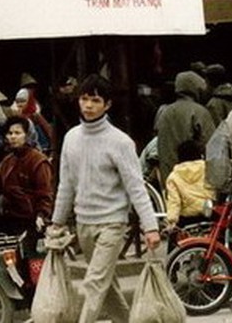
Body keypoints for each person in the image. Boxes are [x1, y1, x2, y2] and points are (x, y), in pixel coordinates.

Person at [51, 74, 159, 323]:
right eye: (84, 99)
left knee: (94, 282)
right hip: (84, 224)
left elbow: (136, 188)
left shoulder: (120, 142)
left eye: (96, 100)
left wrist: (150, 227)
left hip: (113, 223)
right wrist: (56, 222)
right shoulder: (71, 139)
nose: (88, 105)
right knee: (106, 285)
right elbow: (65, 185)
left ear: (107, 105)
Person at [0, 115, 54, 238]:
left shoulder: (38, 161)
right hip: (10, 220)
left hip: (32, 220)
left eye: (17, 133)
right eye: (10, 133)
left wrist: (42, 215)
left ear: (27, 135)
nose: (13, 137)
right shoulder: (6, 162)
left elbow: (45, 193)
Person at [156, 70, 216, 183]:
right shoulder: (199, 111)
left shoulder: (165, 112)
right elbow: (211, 146)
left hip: (170, 176)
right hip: (194, 179)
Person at [164, 140, 213, 225]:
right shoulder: (209, 170)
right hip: (211, 215)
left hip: (187, 221)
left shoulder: (173, 177)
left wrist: (171, 221)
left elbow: (174, 202)